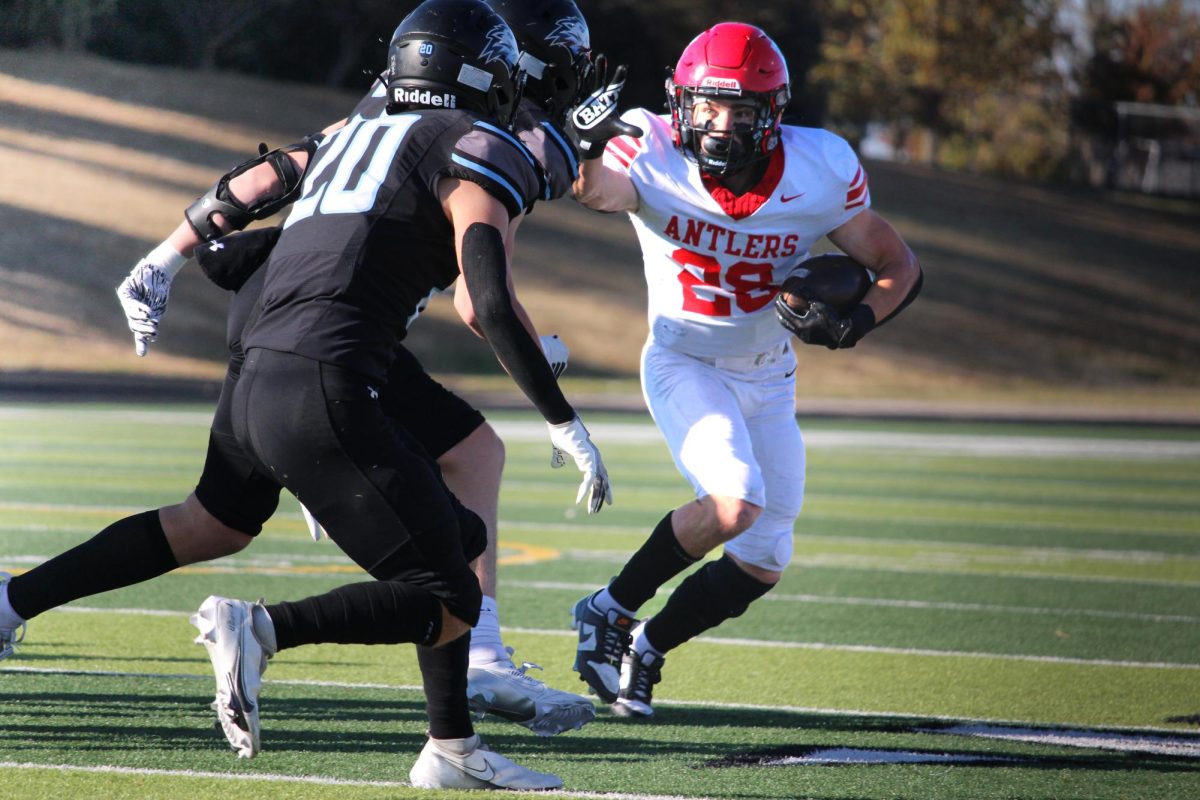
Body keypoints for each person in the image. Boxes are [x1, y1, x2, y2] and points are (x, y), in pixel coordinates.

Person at [2, 0, 611, 789]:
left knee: (220, 520)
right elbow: (485, 301)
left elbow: (263, 180)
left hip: (262, 351)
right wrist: (563, 417)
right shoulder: (477, 142)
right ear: (488, 75)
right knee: (447, 585)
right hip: (327, 370)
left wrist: (166, 254)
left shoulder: (361, 126)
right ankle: (264, 630)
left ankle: (451, 749)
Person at [565, 22, 923, 718]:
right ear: (682, 104)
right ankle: (608, 608)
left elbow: (897, 264)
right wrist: (583, 139)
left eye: (740, 111)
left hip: (769, 374)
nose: (719, 125)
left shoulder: (819, 168)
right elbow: (595, 191)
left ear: (774, 114)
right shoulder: (650, 146)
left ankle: (646, 646)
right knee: (734, 502)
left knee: (764, 559)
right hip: (684, 359)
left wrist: (860, 322)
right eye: (706, 106)